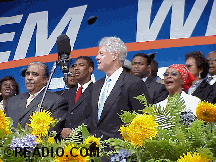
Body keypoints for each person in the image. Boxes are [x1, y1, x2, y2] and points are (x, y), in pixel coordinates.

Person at [89, 37, 151, 141]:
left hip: (120, 152)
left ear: (114, 56)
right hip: (95, 152)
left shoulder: (134, 83)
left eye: (101, 53)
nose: (97, 57)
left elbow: (142, 120)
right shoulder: (96, 86)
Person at [5, 61, 68, 134]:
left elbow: (51, 132)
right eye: (27, 74)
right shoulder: (12, 101)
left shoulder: (56, 101)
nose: (29, 78)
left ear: (45, 79)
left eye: (35, 75)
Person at [61, 56, 94, 139]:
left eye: (81, 65)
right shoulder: (66, 93)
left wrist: (75, 131)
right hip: (66, 143)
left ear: (90, 69)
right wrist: (61, 129)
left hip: (87, 140)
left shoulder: (97, 89)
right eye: (75, 66)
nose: (76, 68)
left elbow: (96, 116)